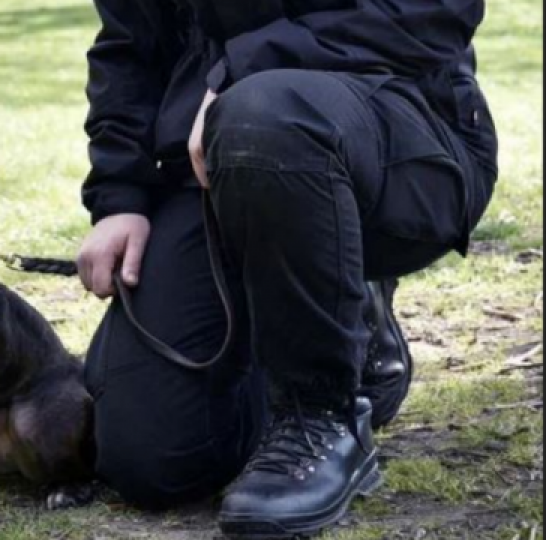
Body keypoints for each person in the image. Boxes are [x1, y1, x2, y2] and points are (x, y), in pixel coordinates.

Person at [75, 0, 498, 537]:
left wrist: (242, 70)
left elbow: (434, 12)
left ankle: (321, 413)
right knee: (153, 457)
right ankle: (311, 309)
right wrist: (120, 196)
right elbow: (129, 43)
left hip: (402, 129)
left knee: (264, 114)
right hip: (212, 161)